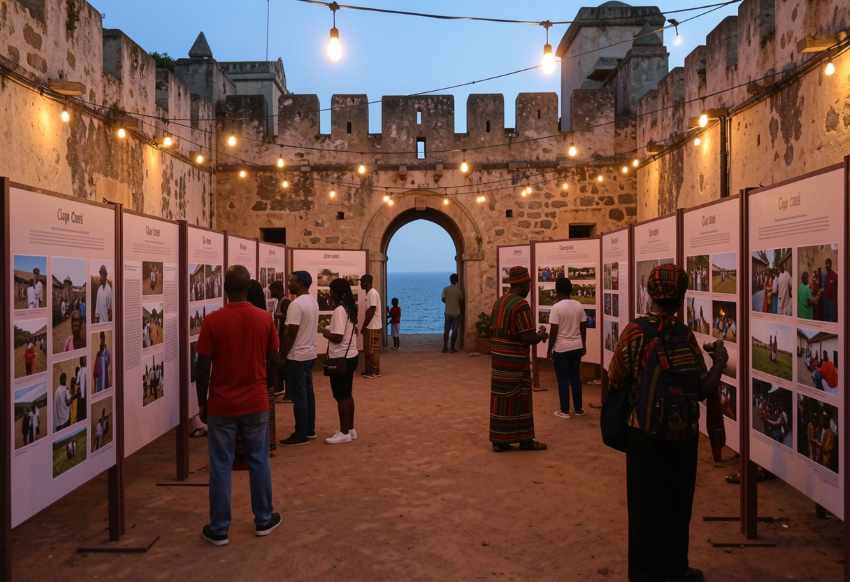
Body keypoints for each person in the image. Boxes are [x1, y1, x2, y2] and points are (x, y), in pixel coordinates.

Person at [607, 263, 727, 582]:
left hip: (644, 434)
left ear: (650, 292)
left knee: (644, 508)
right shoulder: (685, 336)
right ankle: (676, 568)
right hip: (682, 435)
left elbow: (616, 375)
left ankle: (644, 573)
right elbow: (702, 387)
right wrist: (721, 362)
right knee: (677, 504)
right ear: (682, 296)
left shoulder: (636, 331)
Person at [195, 265, 281, 546]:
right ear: (248, 288)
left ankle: (219, 527)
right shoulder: (264, 319)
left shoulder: (212, 321)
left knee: (220, 464)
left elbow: (203, 366)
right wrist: (270, 387)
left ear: (224, 289)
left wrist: (202, 402)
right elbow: (274, 358)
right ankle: (264, 519)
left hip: (222, 402)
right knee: (258, 459)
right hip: (255, 400)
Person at [489, 266, 549, 452]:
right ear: (522, 284)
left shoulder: (499, 303)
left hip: (499, 362)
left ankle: (500, 440)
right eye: (528, 283)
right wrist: (541, 335)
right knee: (521, 400)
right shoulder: (521, 305)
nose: (529, 287)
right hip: (515, 363)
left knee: (502, 399)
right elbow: (527, 337)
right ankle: (525, 440)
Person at [280, 271, 319, 446]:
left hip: (297, 355)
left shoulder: (296, 304)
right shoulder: (312, 301)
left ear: (301, 283)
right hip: (309, 353)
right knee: (308, 394)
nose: (289, 283)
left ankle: (301, 433)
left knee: (299, 395)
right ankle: (309, 429)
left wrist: (282, 356)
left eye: (292, 280)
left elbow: (291, 333)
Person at [322, 278, 361, 444]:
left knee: (341, 396)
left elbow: (337, 337)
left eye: (331, 290)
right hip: (350, 356)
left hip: (340, 358)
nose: (330, 293)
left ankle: (344, 432)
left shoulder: (339, 310)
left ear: (337, 293)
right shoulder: (349, 308)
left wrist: (323, 332)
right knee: (347, 394)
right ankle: (350, 429)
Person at [547, 277, 587, 419]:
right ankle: (578, 409)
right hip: (576, 346)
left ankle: (564, 411)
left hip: (561, 348)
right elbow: (583, 329)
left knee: (563, 380)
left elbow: (553, 332)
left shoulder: (556, 308)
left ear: (557, 290)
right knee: (576, 378)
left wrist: (549, 349)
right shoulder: (579, 305)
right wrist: (584, 345)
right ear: (570, 289)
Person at [269, 280, 291, 399]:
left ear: (278, 290)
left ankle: (288, 392)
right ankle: (281, 388)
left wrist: (278, 316)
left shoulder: (285, 301)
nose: (271, 292)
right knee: (281, 365)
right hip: (280, 338)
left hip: (284, 339)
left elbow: (289, 317)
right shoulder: (280, 301)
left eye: (272, 290)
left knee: (284, 365)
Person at [360, 274, 382, 378]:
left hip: (373, 326)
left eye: (362, 282)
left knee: (372, 350)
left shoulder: (372, 293)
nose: (361, 284)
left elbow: (371, 311)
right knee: (370, 349)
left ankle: (373, 372)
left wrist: (364, 326)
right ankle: (371, 370)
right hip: (371, 326)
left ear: (367, 282)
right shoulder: (369, 293)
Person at [441, 274, 464, 353]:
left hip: (448, 312)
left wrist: (448, 302)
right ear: (457, 281)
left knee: (446, 330)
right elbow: (461, 300)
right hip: (456, 313)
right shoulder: (458, 291)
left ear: (450, 280)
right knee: (455, 330)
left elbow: (443, 299)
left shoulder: (445, 289)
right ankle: (452, 348)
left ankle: (445, 347)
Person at [822, 258, 838, 322]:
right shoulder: (825, 275)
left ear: (830, 265)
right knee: (825, 315)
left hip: (831, 299)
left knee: (831, 315)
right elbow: (824, 286)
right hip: (825, 298)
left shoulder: (834, 275)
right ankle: (826, 330)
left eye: (828, 264)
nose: (827, 265)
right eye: (826, 264)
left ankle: (830, 330)